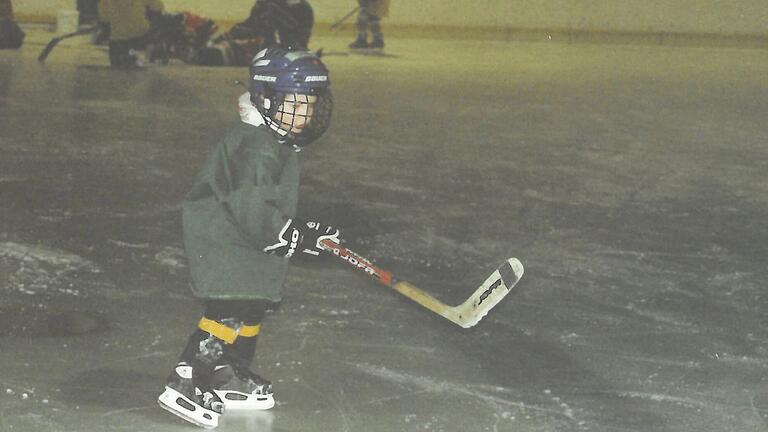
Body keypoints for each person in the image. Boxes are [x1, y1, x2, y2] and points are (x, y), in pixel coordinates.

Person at [157, 47, 338, 428]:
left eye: (310, 103)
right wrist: (289, 233)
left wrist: (300, 233)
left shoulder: (270, 140)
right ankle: (187, 378)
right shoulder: (256, 146)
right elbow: (251, 206)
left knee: (253, 308)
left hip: (246, 241)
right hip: (227, 241)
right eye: (296, 103)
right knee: (230, 311)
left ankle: (226, 373)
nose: (304, 114)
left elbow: (266, 205)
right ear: (267, 99)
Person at [98, 0, 164, 67]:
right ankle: (153, 46)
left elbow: (104, 20)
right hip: (141, 32)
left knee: (116, 62)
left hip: (118, 36)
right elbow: (157, 7)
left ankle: (127, 54)